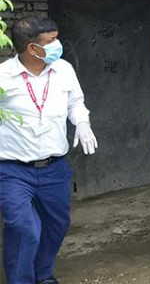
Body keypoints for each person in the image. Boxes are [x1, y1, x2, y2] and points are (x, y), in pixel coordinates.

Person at [0, 17, 98, 284]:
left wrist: (82, 122)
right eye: (51, 40)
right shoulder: (3, 77)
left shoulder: (63, 69)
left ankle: (43, 274)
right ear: (32, 48)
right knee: (24, 228)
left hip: (54, 167)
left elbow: (75, 102)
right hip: (13, 170)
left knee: (56, 225)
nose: (58, 44)